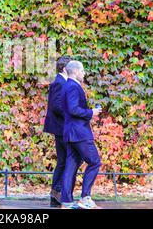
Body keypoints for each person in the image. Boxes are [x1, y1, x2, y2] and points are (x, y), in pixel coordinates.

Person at [60, 60, 102, 209]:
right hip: (79, 134)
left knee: (71, 166)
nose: (84, 74)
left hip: (71, 133)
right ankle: (85, 198)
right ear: (76, 71)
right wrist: (91, 113)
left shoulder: (66, 86)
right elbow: (73, 109)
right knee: (95, 161)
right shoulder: (73, 86)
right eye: (83, 71)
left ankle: (66, 202)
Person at [44, 55, 72, 207]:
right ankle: (58, 192)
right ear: (64, 68)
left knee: (64, 160)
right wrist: (72, 114)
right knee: (66, 160)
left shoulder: (61, 81)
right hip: (62, 128)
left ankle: (57, 193)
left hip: (62, 127)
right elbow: (57, 106)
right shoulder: (59, 83)